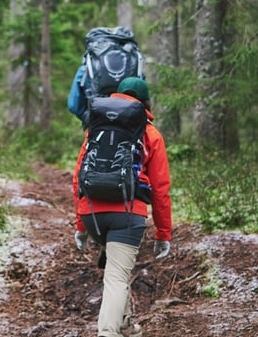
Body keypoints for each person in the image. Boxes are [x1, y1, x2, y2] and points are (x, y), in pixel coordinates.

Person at [72, 77, 172, 337]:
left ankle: (125, 324)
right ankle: (108, 332)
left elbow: (78, 176)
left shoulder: (96, 128)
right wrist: (163, 234)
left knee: (116, 268)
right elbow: (161, 191)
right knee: (116, 277)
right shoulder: (151, 133)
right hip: (127, 216)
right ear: (145, 102)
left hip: (92, 213)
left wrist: (81, 226)